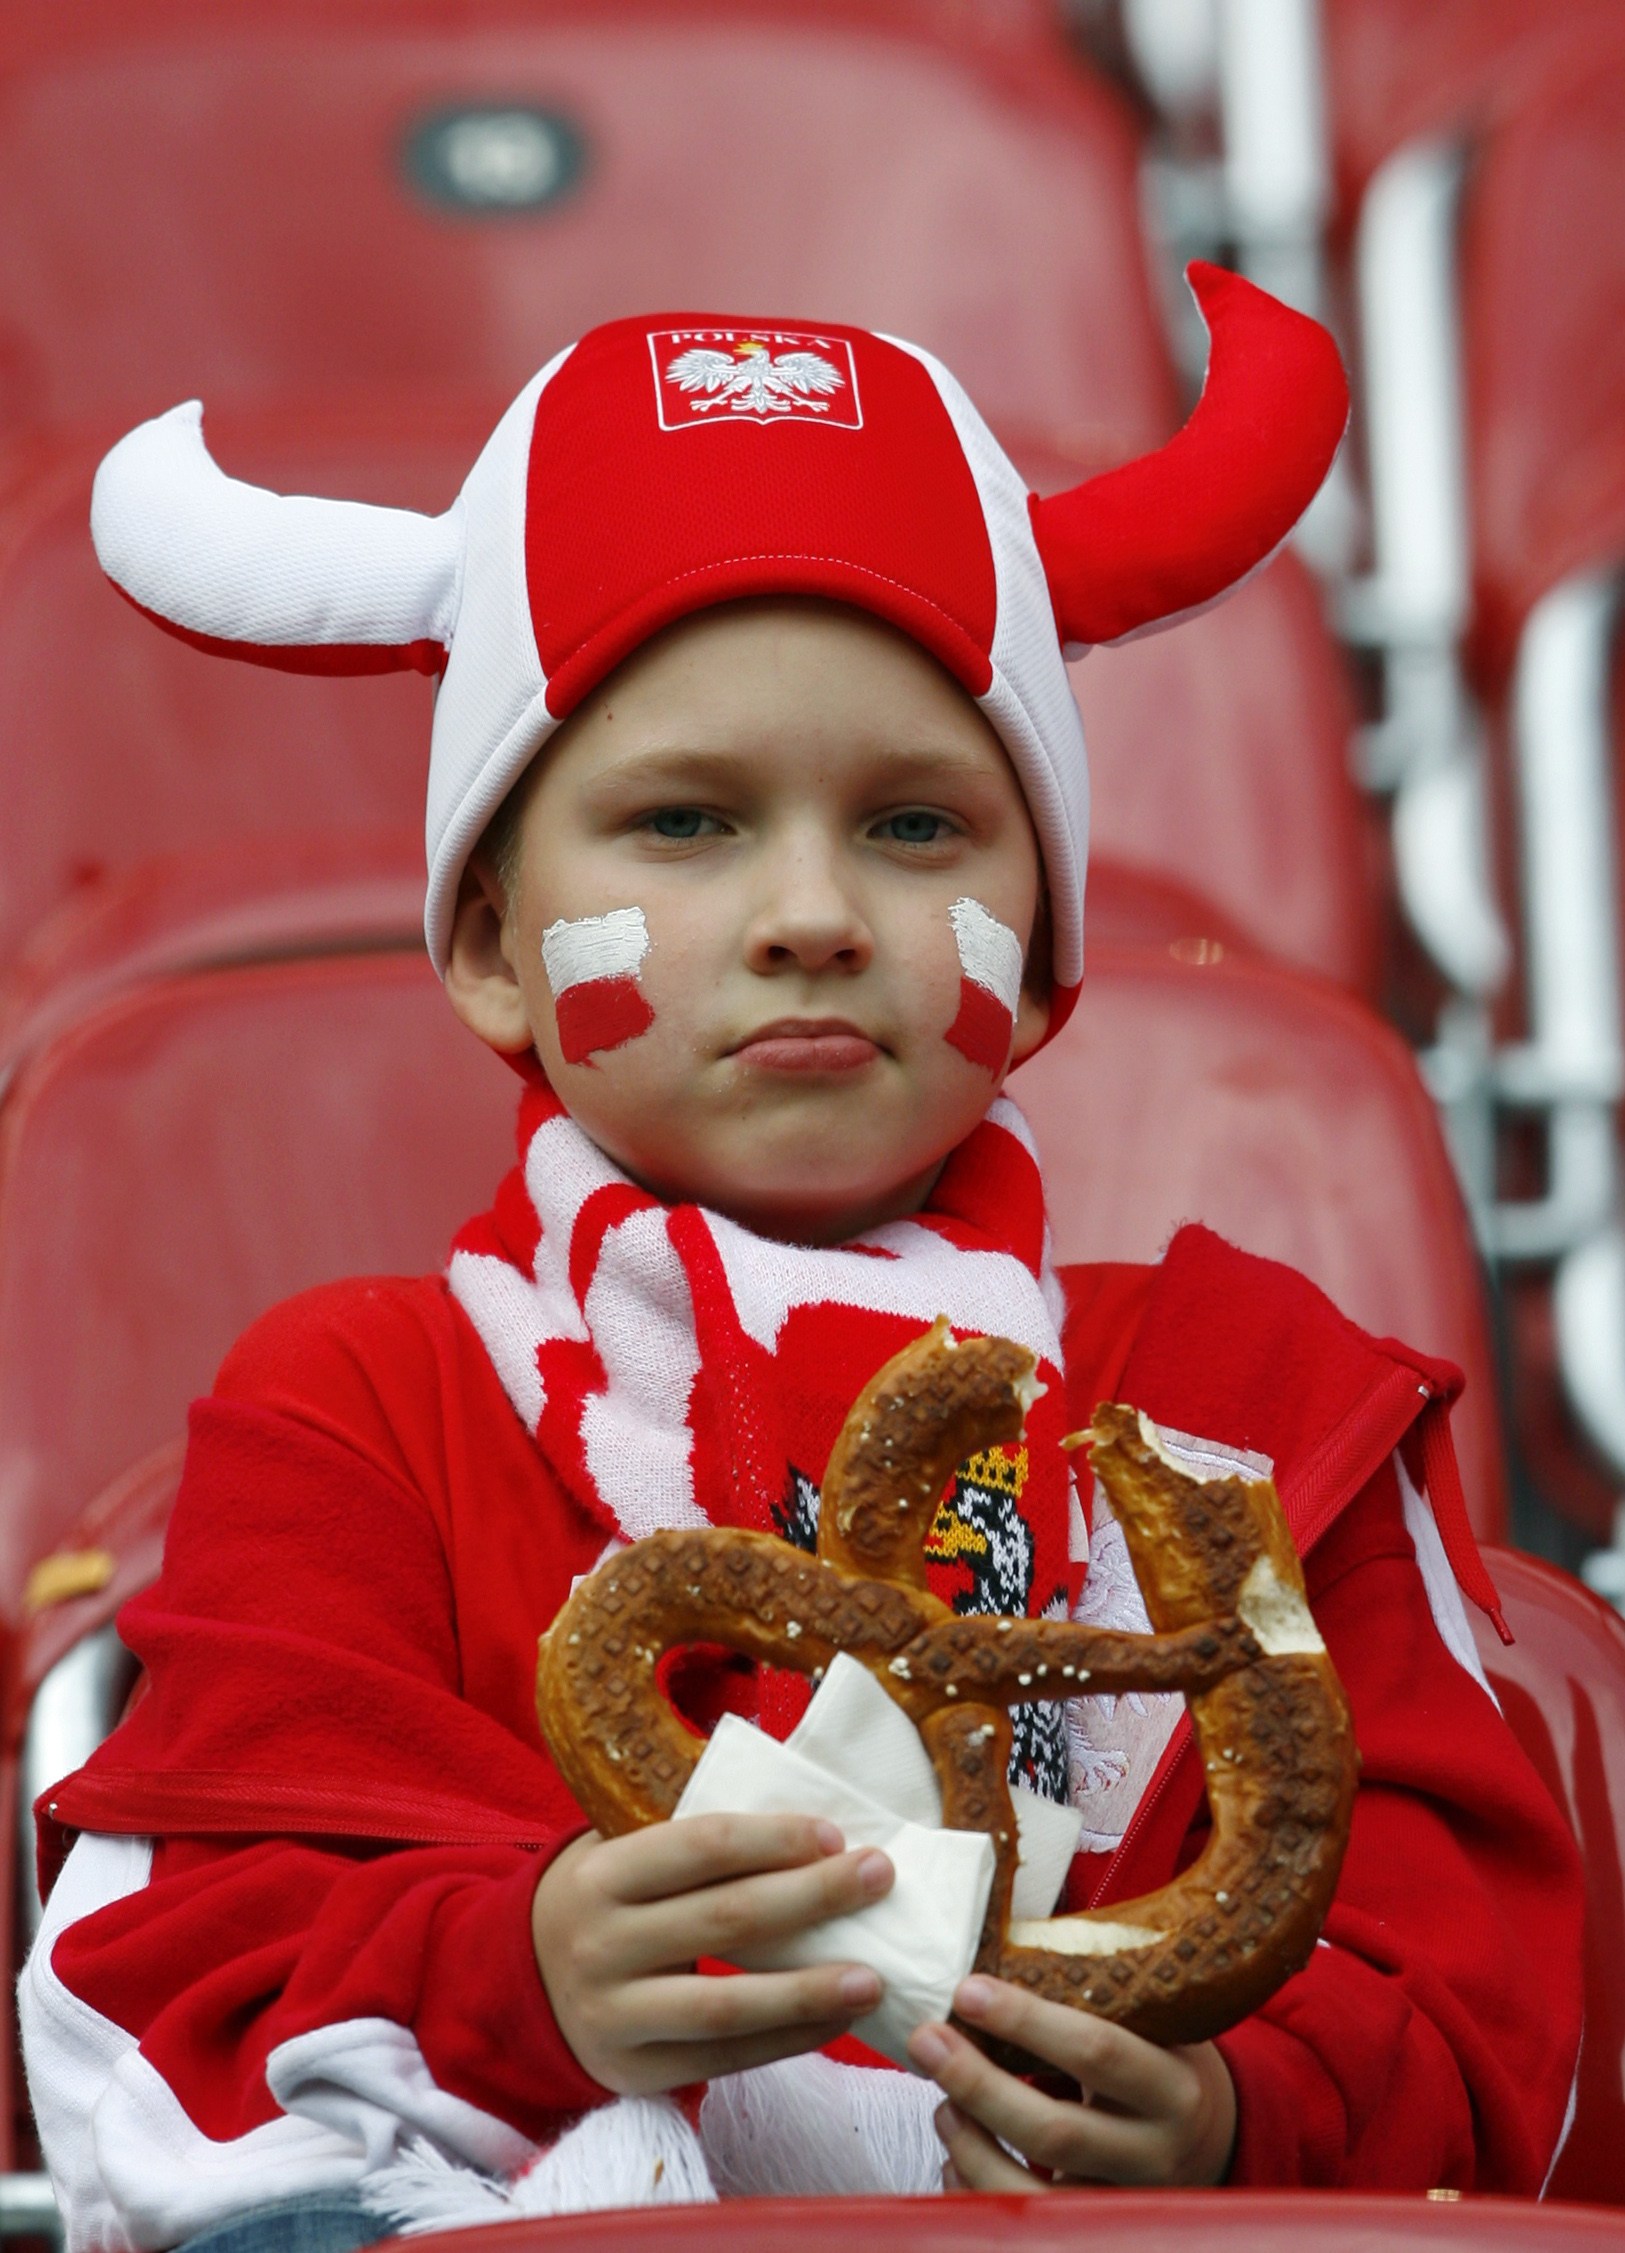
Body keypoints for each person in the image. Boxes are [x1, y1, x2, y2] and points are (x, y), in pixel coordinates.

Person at [20, 274, 1582, 2250]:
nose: (814, 913)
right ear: (495, 941)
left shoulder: (1247, 1414)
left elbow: (1486, 1998)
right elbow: (184, 1958)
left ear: (1050, 938)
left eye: (919, 824)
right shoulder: (360, 1415)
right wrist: (529, 1971)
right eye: (684, 821)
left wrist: (1224, 2115)